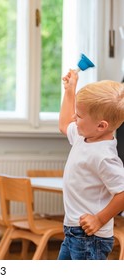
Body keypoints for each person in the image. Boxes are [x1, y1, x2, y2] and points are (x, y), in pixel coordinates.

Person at [58, 69, 124, 260]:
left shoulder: (104, 156)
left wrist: (99, 219)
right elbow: (64, 124)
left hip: (90, 237)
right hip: (73, 229)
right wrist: (70, 90)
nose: (73, 118)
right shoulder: (83, 137)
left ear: (101, 126)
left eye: (78, 116)